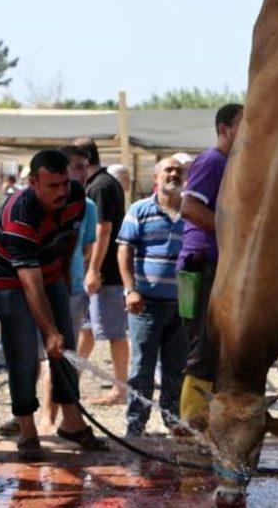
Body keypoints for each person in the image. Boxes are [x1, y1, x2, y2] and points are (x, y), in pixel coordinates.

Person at [0, 150, 107, 460]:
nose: (62, 192)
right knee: (24, 351)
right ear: (33, 182)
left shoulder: (75, 197)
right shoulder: (19, 216)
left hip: (49, 269)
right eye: (53, 186)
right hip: (8, 277)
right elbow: (29, 285)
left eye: (65, 183)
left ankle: (72, 424)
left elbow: (69, 240)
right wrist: (48, 330)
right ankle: (28, 431)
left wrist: (63, 284)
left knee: (64, 347)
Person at [178, 103, 243, 421]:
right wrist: (234, 230)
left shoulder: (232, 164)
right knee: (202, 348)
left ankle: (210, 422)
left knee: (216, 347)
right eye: (244, 126)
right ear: (223, 130)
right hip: (201, 265)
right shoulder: (212, 161)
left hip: (217, 266)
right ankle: (191, 425)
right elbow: (189, 207)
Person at [117, 157, 188, 437]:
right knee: (141, 369)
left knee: (177, 369)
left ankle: (173, 421)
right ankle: (136, 425)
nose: (174, 174)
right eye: (168, 170)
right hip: (145, 304)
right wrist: (130, 289)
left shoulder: (192, 212)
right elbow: (124, 250)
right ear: (155, 177)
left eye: (179, 171)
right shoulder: (139, 210)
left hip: (182, 305)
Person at [38, 146, 97, 432]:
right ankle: (41, 417)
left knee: (61, 356)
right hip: (35, 287)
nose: (81, 172)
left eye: (84, 166)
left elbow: (83, 245)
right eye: (75, 166)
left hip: (70, 288)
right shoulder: (33, 204)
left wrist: (70, 280)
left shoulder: (86, 204)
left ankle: (65, 419)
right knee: (36, 356)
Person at [74, 138, 128, 405]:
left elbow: (103, 228)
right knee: (86, 329)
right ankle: (71, 381)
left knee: (114, 332)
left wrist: (94, 269)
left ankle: (120, 389)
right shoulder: (101, 183)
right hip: (96, 273)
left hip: (105, 274)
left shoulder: (101, 186)